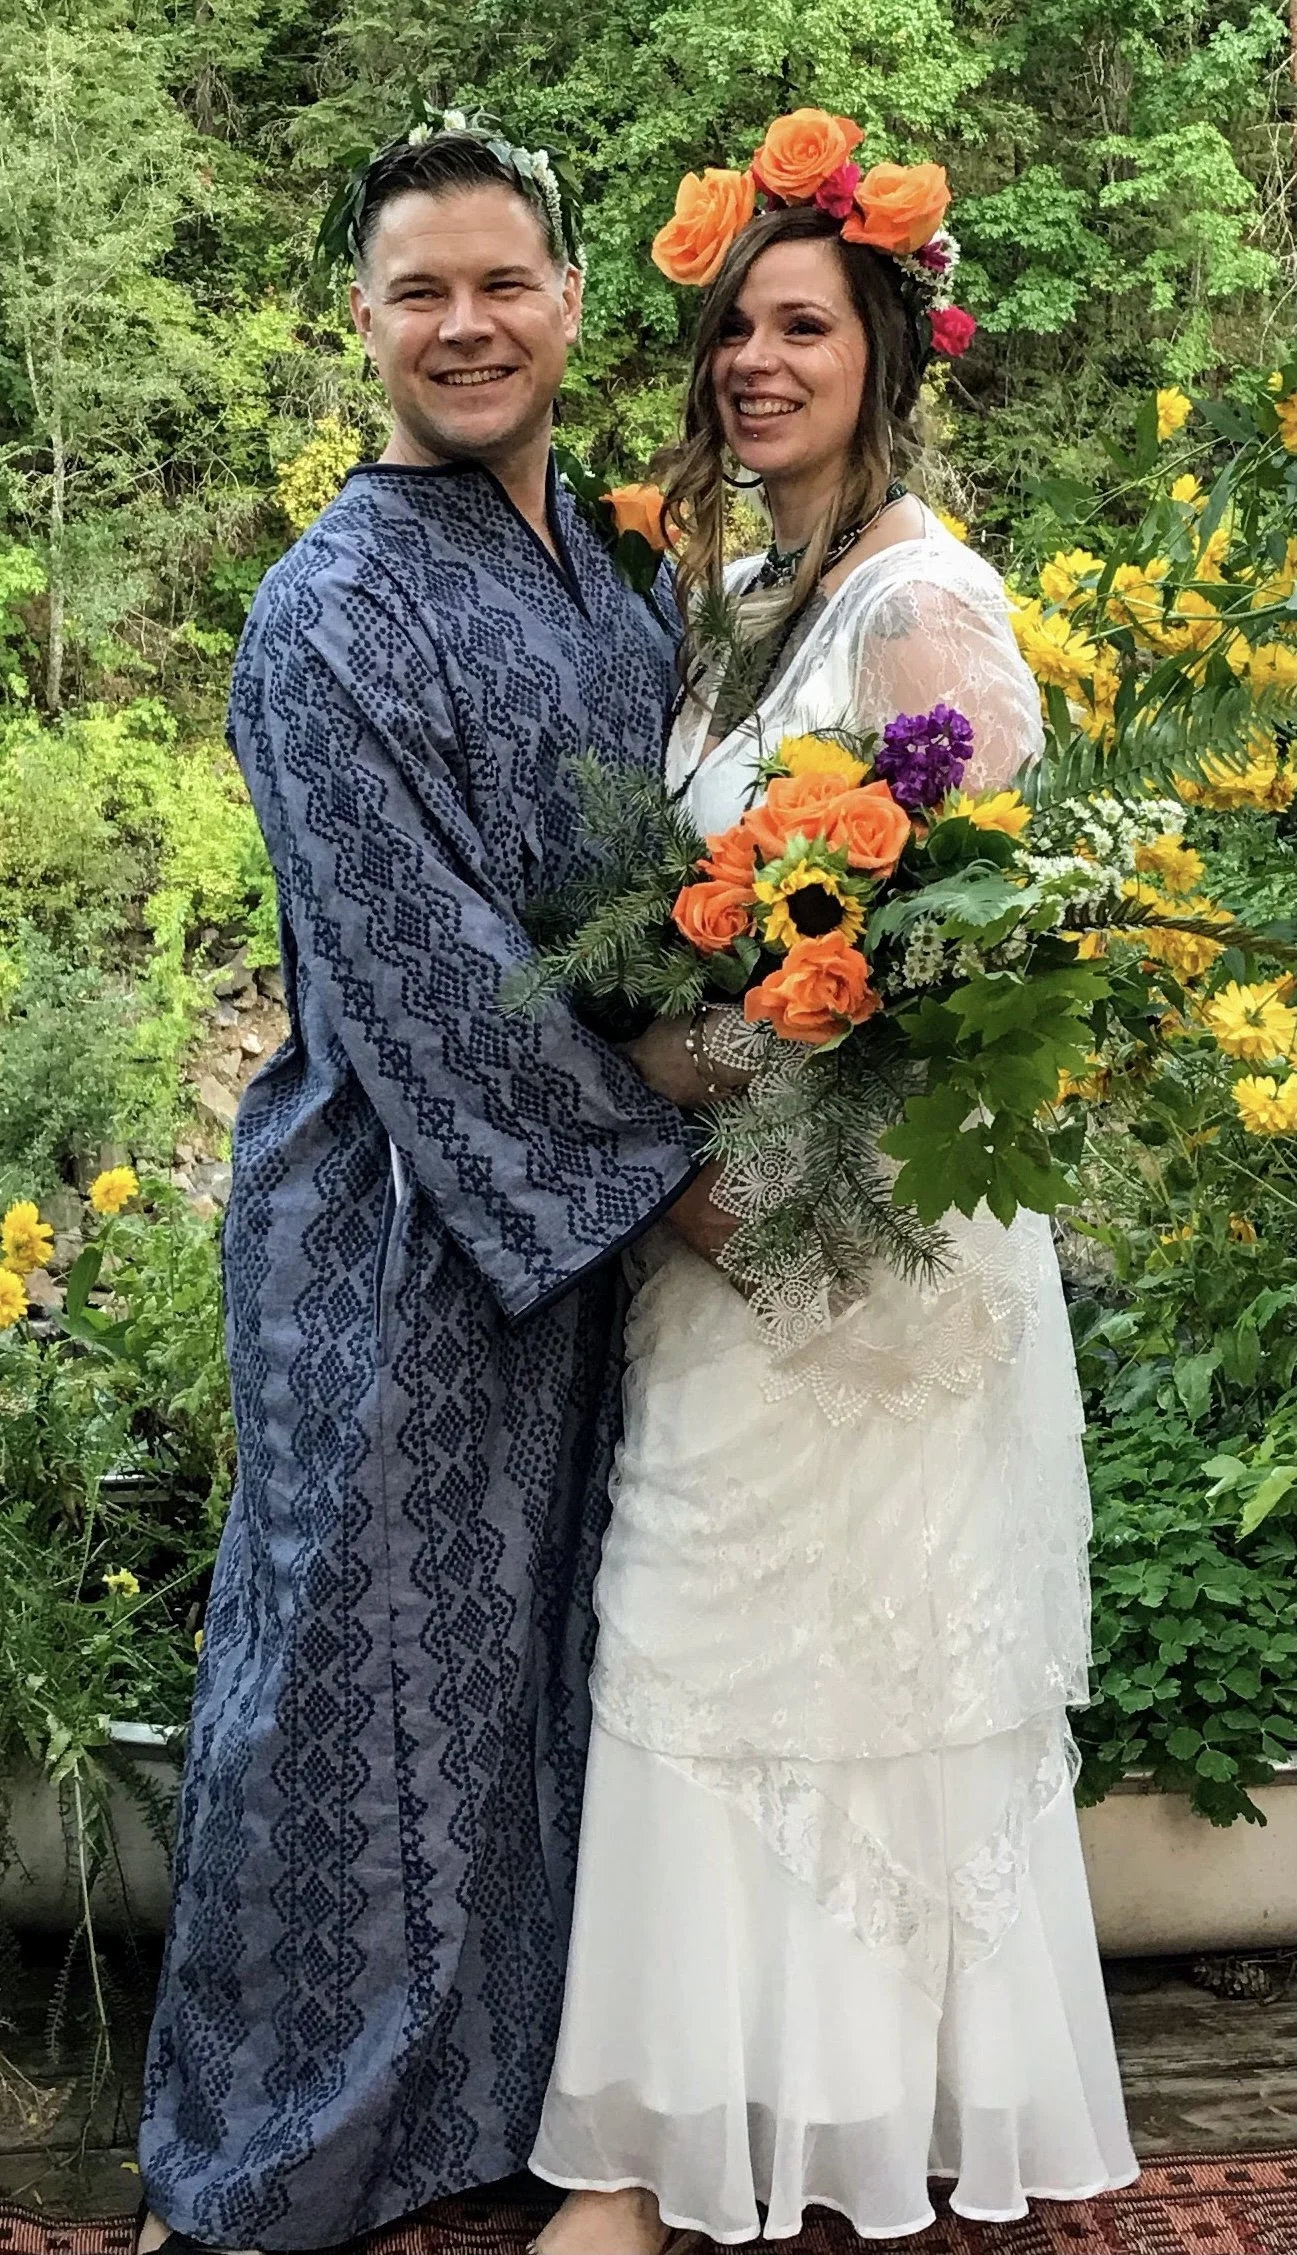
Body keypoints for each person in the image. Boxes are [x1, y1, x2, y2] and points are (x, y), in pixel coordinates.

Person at [529, 121, 1140, 2254]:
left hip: (863, 1238)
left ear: (886, 351)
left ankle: (828, 2129)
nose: (752, 367)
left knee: (849, 1673)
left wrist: (666, 1064)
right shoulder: (741, 602)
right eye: (729, 332)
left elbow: (965, 959)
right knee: (690, 1642)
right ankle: (675, 2128)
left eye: (802, 327)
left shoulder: (930, 605)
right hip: (733, 1226)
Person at [135, 113, 715, 2253]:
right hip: (388, 1232)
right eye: (419, 291)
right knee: (348, 1693)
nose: (464, 323)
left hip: (585, 1207)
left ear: (570, 303)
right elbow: (423, 971)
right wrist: (667, 1168)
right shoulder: (329, 608)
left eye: (502, 282)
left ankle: (485, 2111)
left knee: (544, 1676)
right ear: (363, 322)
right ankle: (272, 2156)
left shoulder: (629, 576)